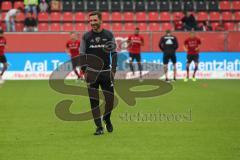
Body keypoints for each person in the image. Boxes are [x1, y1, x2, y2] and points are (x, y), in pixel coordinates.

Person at [79, 11, 117, 135]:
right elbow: (82, 55)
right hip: (92, 73)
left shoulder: (109, 35)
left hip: (106, 72)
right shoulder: (86, 37)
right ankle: (99, 127)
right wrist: (84, 71)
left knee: (110, 101)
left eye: (95, 20)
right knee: (93, 101)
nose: (92, 23)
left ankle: (107, 118)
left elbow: (114, 53)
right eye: (90, 21)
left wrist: (114, 70)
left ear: (101, 20)